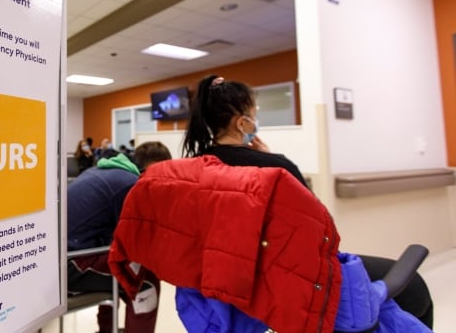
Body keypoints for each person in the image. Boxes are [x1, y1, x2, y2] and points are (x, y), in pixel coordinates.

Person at [180, 74, 433, 329]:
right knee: (414, 290)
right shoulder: (276, 168)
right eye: (255, 113)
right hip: (292, 281)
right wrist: (272, 159)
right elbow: (319, 230)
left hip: (226, 286)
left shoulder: (191, 170)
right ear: (242, 123)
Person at [67, 141, 172, 333]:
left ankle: (107, 330)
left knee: (120, 267)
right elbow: (138, 239)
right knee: (145, 280)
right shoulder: (129, 185)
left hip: (60, 260)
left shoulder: (107, 172)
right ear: (156, 166)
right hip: (70, 266)